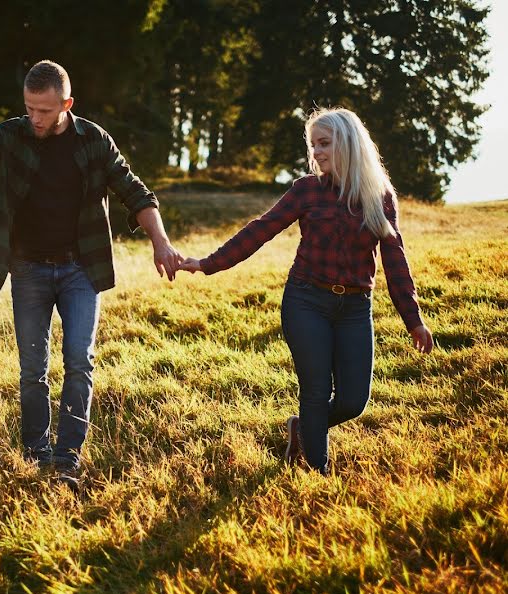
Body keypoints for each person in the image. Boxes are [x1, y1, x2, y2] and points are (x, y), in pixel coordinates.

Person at [0, 60, 182, 487]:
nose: (35, 118)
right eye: (29, 108)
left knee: (79, 361)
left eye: (44, 110)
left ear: (67, 104)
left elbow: (135, 190)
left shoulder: (93, 140)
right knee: (33, 368)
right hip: (28, 269)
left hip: (81, 268)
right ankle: (35, 452)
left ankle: (67, 457)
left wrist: (161, 241)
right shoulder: (14, 135)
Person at [179, 107, 434, 475]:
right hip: (306, 301)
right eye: (312, 144)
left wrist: (414, 320)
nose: (316, 152)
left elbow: (396, 262)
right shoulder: (307, 190)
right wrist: (207, 263)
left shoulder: (379, 197)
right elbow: (260, 230)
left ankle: (302, 429)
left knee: (353, 400)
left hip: (355, 308)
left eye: (324, 143)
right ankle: (318, 473)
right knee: (315, 392)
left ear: (347, 144)